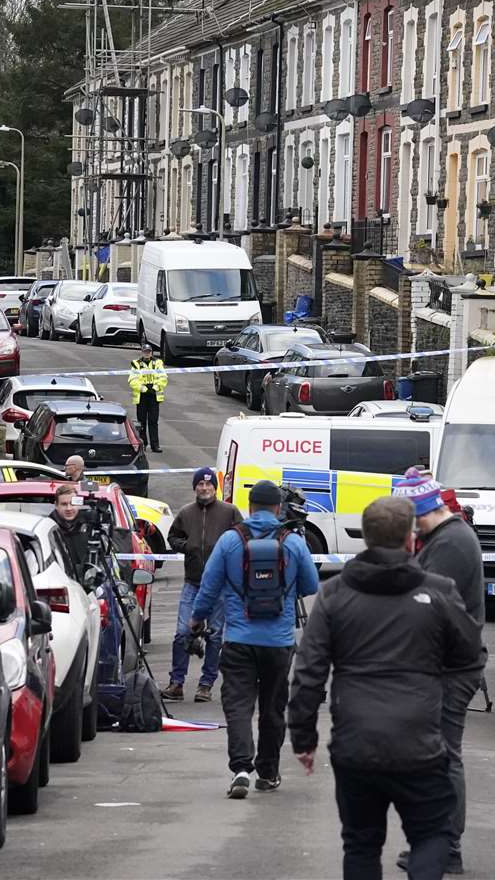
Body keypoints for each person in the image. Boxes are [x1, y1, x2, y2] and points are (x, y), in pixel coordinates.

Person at [288, 496, 482, 880]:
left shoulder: (335, 594)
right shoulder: (438, 592)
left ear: (365, 539)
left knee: (361, 843)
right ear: (411, 540)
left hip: (355, 743)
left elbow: (308, 671)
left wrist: (303, 738)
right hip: (420, 743)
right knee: (432, 836)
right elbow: (469, 653)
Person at [190, 479, 319, 799]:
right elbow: (311, 585)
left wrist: (197, 619)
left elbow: (208, 585)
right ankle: (269, 772)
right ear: (278, 508)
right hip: (278, 641)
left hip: (238, 638)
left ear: (249, 507)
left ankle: (241, 768)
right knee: (273, 708)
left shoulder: (230, 540)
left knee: (238, 705)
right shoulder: (292, 542)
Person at [395, 468, 484, 875]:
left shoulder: (451, 543)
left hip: (451, 666)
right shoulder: (444, 538)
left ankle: (446, 848)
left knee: (444, 757)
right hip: (445, 664)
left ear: (421, 509)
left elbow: (428, 607)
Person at [163, 467, 241, 702]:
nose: (204, 488)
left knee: (215, 635)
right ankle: (176, 683)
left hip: (220, 585)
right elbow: (172, 537)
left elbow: (243, 537)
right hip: (193, 582)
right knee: (182, 633)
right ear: (195, 487)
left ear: (214, 487)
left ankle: (206, 685)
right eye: (200, 484)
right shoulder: (186, 513)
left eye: (208, 484)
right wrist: (188, 546)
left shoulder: (230, 512)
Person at [128, 341, 168, 453]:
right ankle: (143, 444)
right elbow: (132, 380)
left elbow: (163, 377)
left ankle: (155, 445)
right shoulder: (136, 364)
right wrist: (143, 388)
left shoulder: (158, 363)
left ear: (151, 353)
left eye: (149, 352)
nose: (147, 354)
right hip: (141, 395)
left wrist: (155, 387)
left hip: (154, 395)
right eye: (145, 352)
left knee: (153, 421)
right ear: (142, 352)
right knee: (141, 422)